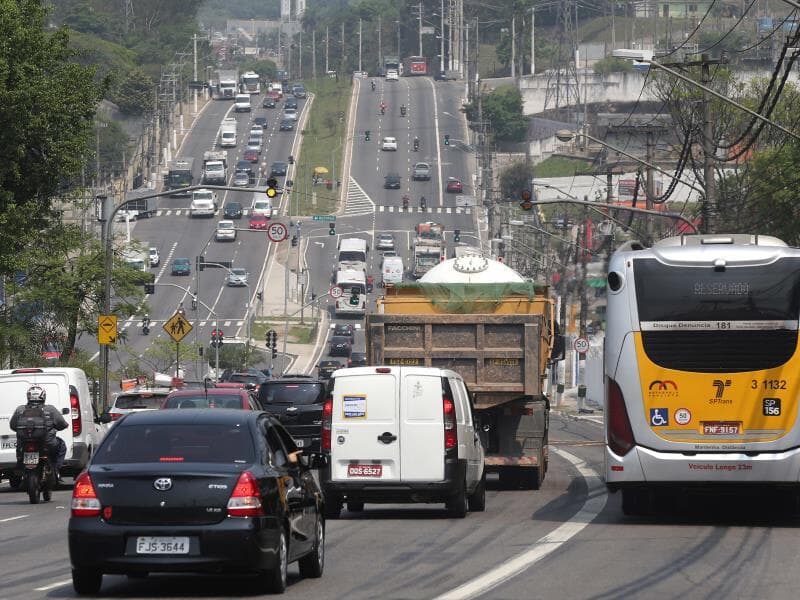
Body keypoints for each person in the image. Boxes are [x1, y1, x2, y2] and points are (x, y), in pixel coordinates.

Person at [9, 386, 68, 479]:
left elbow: (13, 426)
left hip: (24, 444)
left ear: (28, 396)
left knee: (19, 450)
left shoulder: (20, 409)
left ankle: (19, 466)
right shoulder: (50, 409)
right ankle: (56, 470)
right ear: (43, 396)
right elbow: (62, 424)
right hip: (47, 443)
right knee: (62, 445)